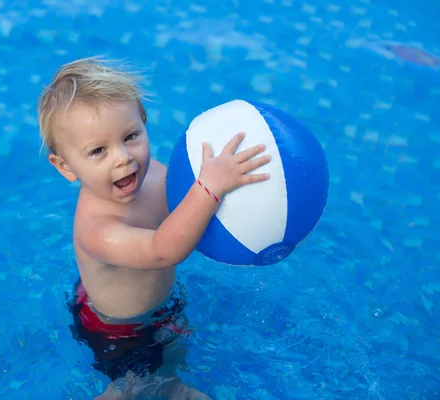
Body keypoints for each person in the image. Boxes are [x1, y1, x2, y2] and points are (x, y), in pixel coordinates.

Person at [37, 56, 271, 399]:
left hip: (160, 307)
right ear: (65, 166)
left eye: (130, 136)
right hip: (117, 331)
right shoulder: (98, 228)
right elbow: (164, 249)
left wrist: (223, 178)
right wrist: (210, 188)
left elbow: (187, 205)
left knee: (171, 367)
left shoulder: (156, 174)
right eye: (98, 150)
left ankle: (175, 387)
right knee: (133, 388)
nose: (122, 157)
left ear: (144, 123)